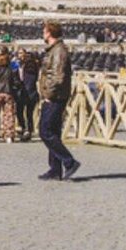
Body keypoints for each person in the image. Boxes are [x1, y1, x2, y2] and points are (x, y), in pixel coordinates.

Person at [35, 21, 80, 181]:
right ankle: (55, 169)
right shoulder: (54, 50)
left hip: (55, 96)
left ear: (49, 33)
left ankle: (69, 161)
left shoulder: (59, 51)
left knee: (45, 131)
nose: (42, 34)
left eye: (44, 31)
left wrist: (49, 94)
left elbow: (58, 76)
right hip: (54, 95)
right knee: (53, 132)